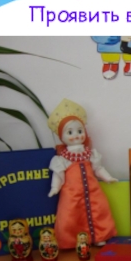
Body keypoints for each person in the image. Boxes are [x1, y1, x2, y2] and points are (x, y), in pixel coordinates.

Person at [47, 99, 118, 249]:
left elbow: (98, 168)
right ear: (62, 136)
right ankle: (73, 241)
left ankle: (99, 236)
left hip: (93, 191)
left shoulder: (90, 154)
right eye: (70, 132)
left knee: (99, 211)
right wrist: (55, 188)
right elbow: (58, 174)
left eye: (80, 131)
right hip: (71, 194)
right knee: (71, 216)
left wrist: (107, 177)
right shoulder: (62, 158)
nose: (76, 135)